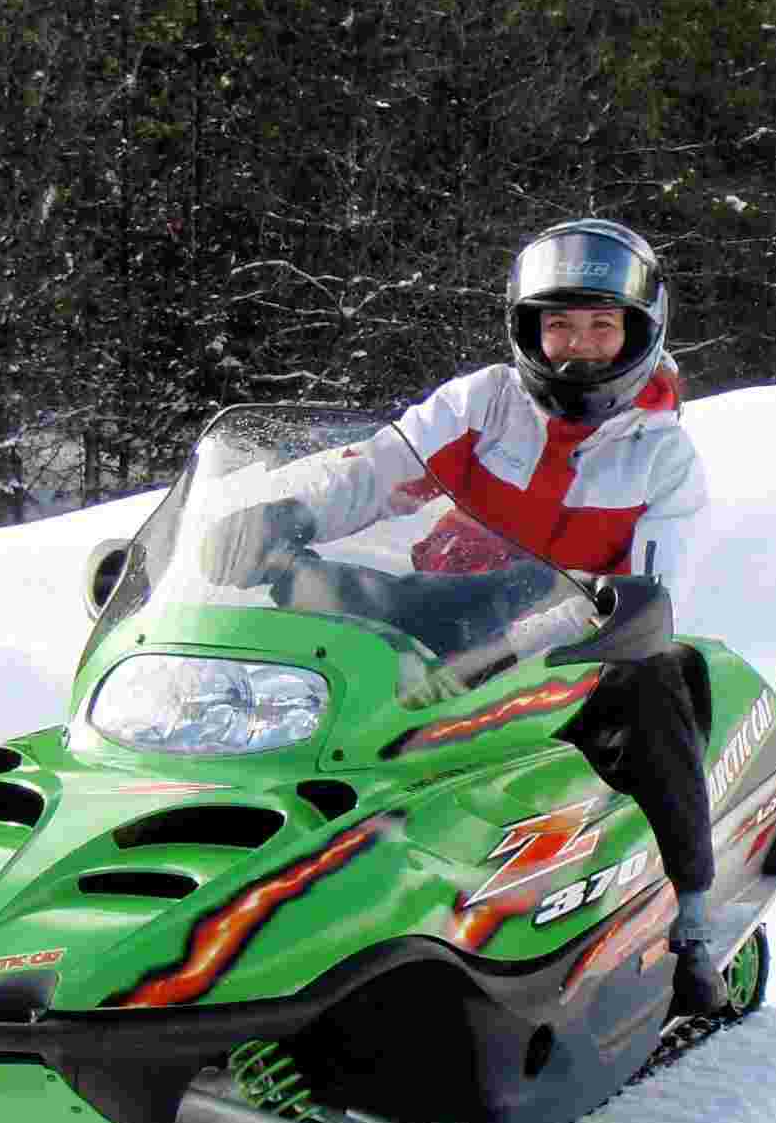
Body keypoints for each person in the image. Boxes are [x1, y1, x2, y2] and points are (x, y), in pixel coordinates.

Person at [213, 219, 747, 1017]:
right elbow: (376, 470)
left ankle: (694, 922)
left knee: (657, 679)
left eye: (602, 326)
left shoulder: (661, 454)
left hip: (583, 638)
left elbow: (653, 585)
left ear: (639, 330)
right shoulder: (484, 401)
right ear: (527, 326)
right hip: (460, 602)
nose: (577, 346)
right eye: (558, 324)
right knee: (319, 596)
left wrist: (538, 637)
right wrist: (280, 518)